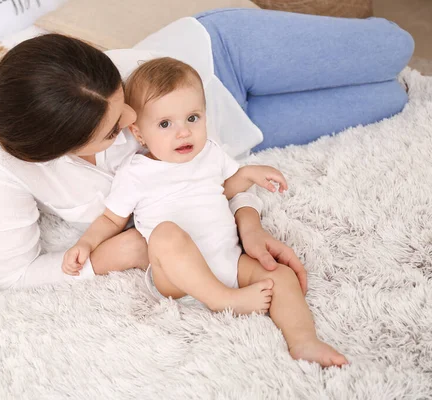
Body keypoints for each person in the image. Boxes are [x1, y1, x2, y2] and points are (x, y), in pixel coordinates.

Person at [0, 10, 413, 292]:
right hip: (250, 130)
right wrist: (112, 256)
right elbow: (12, 276)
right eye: (111, 132)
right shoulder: (6, 167)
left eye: (125, 107)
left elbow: (213, 166)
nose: (129, 124)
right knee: (393, 98)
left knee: (396, 49)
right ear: (57, 150)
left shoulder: (115, 78)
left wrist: (248, 222)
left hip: (225, 57)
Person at [61, 57, 348, 367]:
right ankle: (223, 300)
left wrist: (250, 173)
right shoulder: (135, 172)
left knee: (281, 275)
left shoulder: (211, 152)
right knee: (165, 234)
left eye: (193, 118)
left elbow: (227, 187)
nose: (183, 133)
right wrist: (86, 244)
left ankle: (304, 340)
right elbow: (110, 219)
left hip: (230, 262)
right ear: (139, 133)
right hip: (176, 279)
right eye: (165, 124)